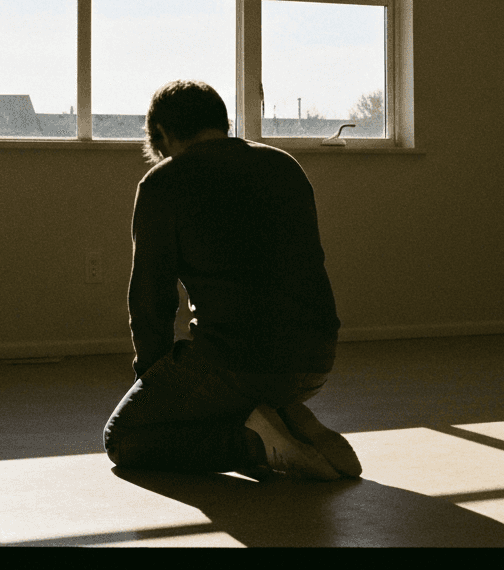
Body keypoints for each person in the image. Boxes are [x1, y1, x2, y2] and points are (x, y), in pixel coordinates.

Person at [103, 79, 361, 481]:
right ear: (221, 122)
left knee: (123, 437)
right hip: (314, 359)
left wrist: (159, 391)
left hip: (237, 363)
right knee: (247, 373)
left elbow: (151, 302)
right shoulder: (283, 165)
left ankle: (258, 444)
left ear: (164, 135)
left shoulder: (164, 183)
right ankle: (288, 414)